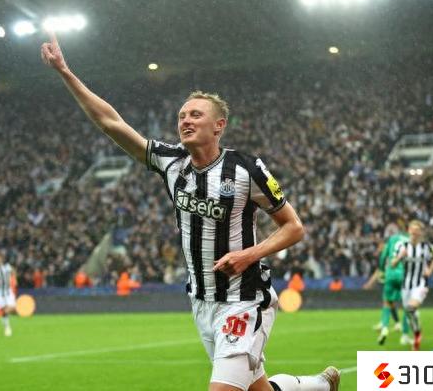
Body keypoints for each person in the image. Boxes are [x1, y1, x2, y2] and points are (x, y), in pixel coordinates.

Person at [42, 33, 340, 391]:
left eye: (196, 115)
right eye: (181, 116)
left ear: (219, 126)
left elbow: (294, 227)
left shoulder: (246, 169)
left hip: (243, 299)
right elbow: (111, 123)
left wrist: (249, 255)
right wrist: (65, 72)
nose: (185, 120)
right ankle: (319, 386)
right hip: (201, 301)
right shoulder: (171, 163)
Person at [391, 220, 433, 351]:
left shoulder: (427, 247)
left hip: (421, 284)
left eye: (417, 230)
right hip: (406, 286)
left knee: (411, 308)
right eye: (412, 230)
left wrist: (430, 270)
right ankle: (417, 333)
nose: (414, 233)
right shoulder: (401, 245)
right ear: (408, 231)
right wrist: (399, 257)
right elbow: (392, 264)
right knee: (409, 313)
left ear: (421, 233)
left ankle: (417, 336)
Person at [363, 226, 409, 345]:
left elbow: (383, 258)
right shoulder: (409, 240)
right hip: (405, 274)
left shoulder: (391, 240)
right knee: (407, 305)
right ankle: (404, 334)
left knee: (387, 302)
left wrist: (383, 268)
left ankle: (384, 328)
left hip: (391, 273)